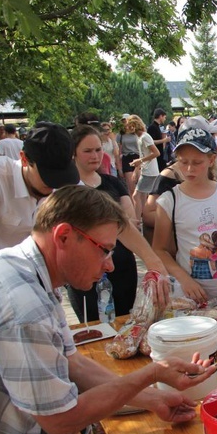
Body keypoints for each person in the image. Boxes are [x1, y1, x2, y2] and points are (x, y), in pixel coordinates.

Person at [0, 185, 215, 434]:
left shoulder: (25, 270)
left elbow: (74, 363)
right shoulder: (23, 306)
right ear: (63, 236)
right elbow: (61, 420)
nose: (110, 266)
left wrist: (155, 399)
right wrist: (153, 373)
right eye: (105, 251)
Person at [0, 123, 81, 287]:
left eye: (61, 175)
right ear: (24, 158)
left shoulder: (57, 187)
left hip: (3, 274)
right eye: (47, 175)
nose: (54, 184)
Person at [67, 124, 169, 319]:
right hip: (84, 270)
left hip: (122, 265)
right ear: (74, 153)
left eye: (98, 150)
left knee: (126, 322)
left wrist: (152, 260)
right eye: (87, 151)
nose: (95, 156)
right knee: (92, 328)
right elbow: (122, 222)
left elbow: (128, 221)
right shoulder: (67, 188)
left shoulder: (113, 182)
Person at [153, 128, 217, 303]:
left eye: (197, 162)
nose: (189, 169)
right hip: (190, 296)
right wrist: (184, 280)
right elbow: (159, 249)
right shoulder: (169, 200)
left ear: (211, 159)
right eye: (183, 162)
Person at [129, 114, 160, 225]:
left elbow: (156, 152)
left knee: (136, 196)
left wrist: (140, 161)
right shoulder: (140, 137)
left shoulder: (145, 137)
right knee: (142, 197)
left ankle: (137, 222)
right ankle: (141, 221)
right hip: (146, 170)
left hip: (150, 171)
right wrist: (137, 168)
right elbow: (143, 154)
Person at [119, 118, 140, 195]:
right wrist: (119, 167)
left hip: (138, 157)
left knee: (140, 186)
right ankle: (132, 205)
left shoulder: (137, 133)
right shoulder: (121, 134)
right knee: (131, 187)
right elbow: (118, 150)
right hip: (126, 158)